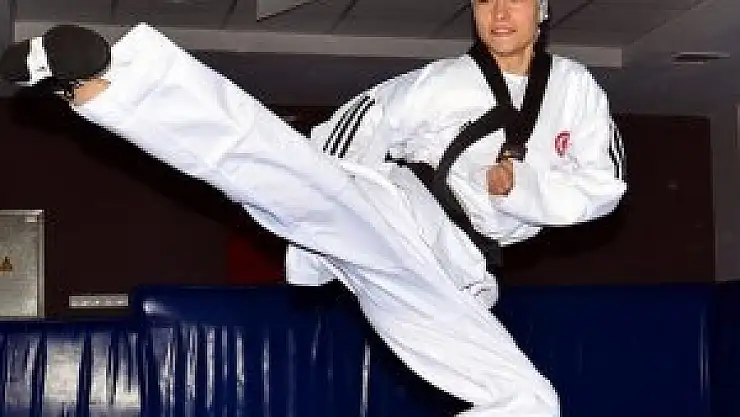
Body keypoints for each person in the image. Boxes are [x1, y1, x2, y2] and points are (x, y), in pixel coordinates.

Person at [0, 0, 626, 415]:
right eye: (485, 0)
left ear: (543, 10)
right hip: (400, 212)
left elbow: (604, 186)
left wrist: (523, 190)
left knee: (530, 402)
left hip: (459, 275)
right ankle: (103, 83)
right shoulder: (441, 82)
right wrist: (316, 227)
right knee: (294, 173)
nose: (499, 12)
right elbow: (352, 129)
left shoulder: (575, 90)